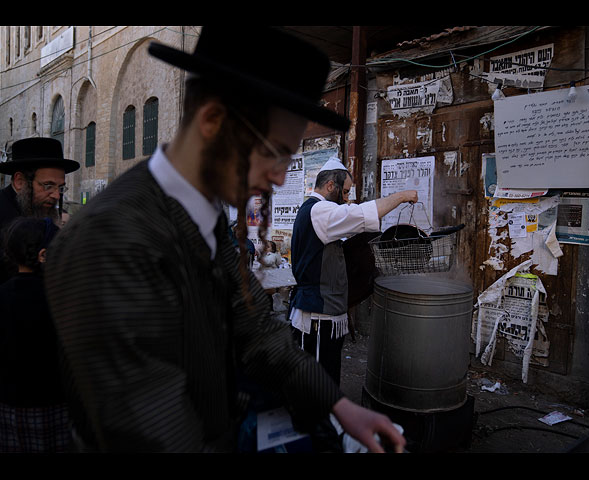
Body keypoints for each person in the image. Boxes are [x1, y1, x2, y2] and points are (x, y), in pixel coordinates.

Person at [43, 26, 406, 453]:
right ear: (213, 121)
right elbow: (150, 430)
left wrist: (338, 405)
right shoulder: (108, 239)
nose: (281, 176)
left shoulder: (206, 215)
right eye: (273, 151)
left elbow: (254, 328)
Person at [289, 157, 418, 385]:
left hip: (326, 313)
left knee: (326, 378)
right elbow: (360, 214)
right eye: (346, 192)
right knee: (317, 384)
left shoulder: (317, 211)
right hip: (317, 315)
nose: (348, 199)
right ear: (331, 186)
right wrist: (402, 196)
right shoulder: (319, 210)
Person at [0, 216, 70, 453]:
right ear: (43, 255)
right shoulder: (58, 296)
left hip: (9, 405)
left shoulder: (4, 294)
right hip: (52, 402)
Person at [0, 137, 79, 283]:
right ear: (20, 182)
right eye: (48, 186)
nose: (56, 195)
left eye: (60, 187)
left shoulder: (34, 212)